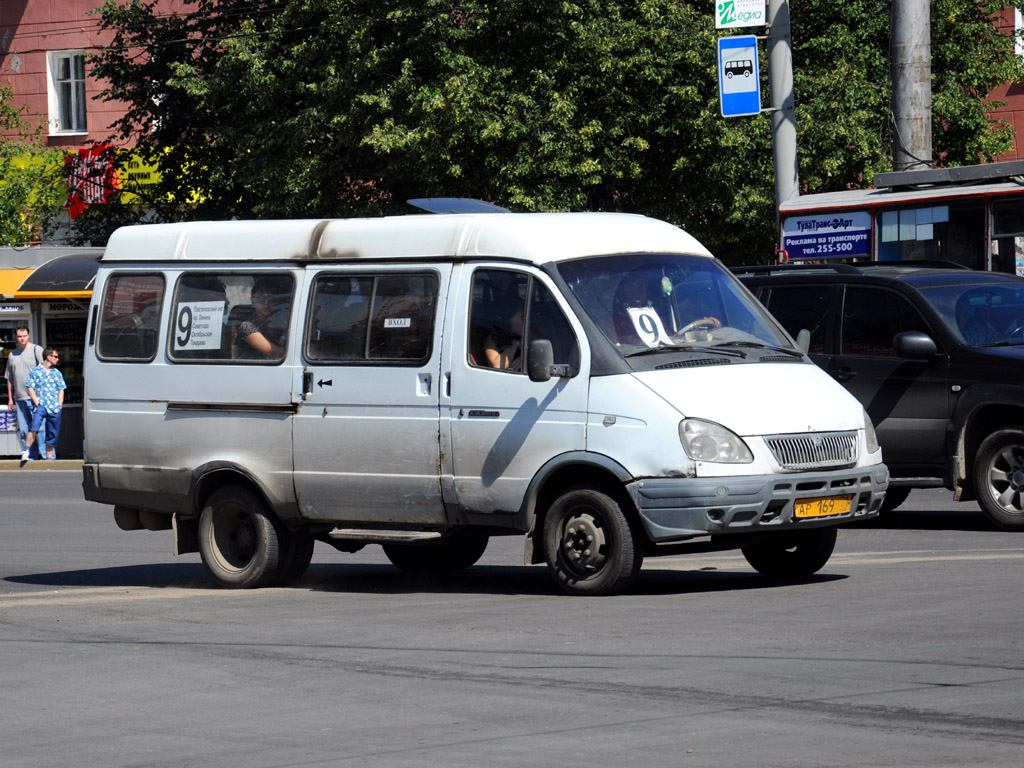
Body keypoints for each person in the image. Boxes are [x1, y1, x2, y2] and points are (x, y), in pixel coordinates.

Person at [5, 326, 45, 462]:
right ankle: (30, 456)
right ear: (16, 338)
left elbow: (46, 371)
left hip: (35, 398)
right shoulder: (12, 354)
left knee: (39, 429)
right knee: (24, 430)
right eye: (19, 336)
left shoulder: (36, 350)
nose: (22, 339)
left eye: (24, 336)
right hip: (19, 398)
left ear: (28, 336)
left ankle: (47, 457)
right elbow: (10, 378)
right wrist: (10, 398)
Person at [25, 347, 66, 461]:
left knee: (52, 433)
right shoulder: (35, 371)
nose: (57, 359)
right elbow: (30, 387)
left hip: (54, 406)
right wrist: (36, 401)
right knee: (34, 426)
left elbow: (61, 389)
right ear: (49, 357)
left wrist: (59, 405)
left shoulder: (57, 373)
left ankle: (49, 459)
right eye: (55, 356)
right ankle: (26, 451)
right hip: (41, 404)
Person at [235, 277, 290, 359]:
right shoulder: (247, 326)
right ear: (252, 300)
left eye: (271, 299)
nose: (266, 303)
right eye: (261, 299)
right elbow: (274, 352)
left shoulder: (279, 321)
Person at [483, 300, 524, 370]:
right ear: (508, 319)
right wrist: (515, 344)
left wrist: (524, 358)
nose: (526, 322)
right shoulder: (492, 339)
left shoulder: (529, 336)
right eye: (522, 317)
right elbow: (498, 366)